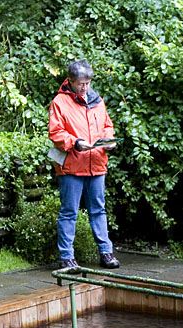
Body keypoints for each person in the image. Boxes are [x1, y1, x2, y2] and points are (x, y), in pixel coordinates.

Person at [48, 59, 120, 271]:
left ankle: (106, 252)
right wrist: (76, 143)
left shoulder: (98, 101)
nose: (85, 87)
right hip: (71, 166)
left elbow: (107, 125)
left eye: (88, 83)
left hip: (97, 163)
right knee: (69, 211)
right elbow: (56, 133)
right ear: (70, 81)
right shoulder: (59, 103)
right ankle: (67, 257)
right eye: (81, 83)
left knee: (98, 209)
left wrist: (109, 140)